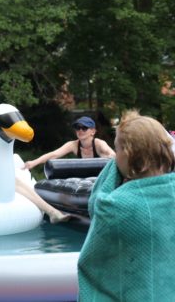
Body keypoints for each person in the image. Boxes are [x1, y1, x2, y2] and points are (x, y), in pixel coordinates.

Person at [78, 111, 175, 300]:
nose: (115, 157)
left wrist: (114, 168)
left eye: (117, 150)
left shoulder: (116, 205)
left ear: (129, 154)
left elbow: (96, 203)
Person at [22, 116, 115, 170]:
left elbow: (112, 154)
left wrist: (109, 156)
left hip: (102, 176)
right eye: (78, 128)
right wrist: (33, 163)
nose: (80, 130)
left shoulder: (99, 143)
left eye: (84, 128)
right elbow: (54, 154)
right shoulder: (73, 145)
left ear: (93, 131)